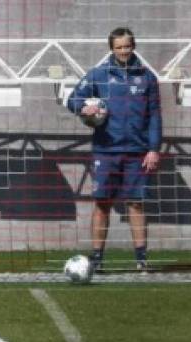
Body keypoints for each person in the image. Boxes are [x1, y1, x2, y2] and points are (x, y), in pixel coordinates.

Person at [67, 26, 162, 272]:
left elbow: (154, 116)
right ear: (111, 48)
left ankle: (141, 260)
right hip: (105, 150)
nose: (123, 51)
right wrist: (83, 108)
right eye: (119, 47)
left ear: (134, 46)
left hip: (137, 152)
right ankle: (97, 260)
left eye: (127, 46)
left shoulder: (147, 77)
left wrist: (153, 148)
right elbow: (73, 99)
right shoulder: (99, 74)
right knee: (102, 204)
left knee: (136, 203)